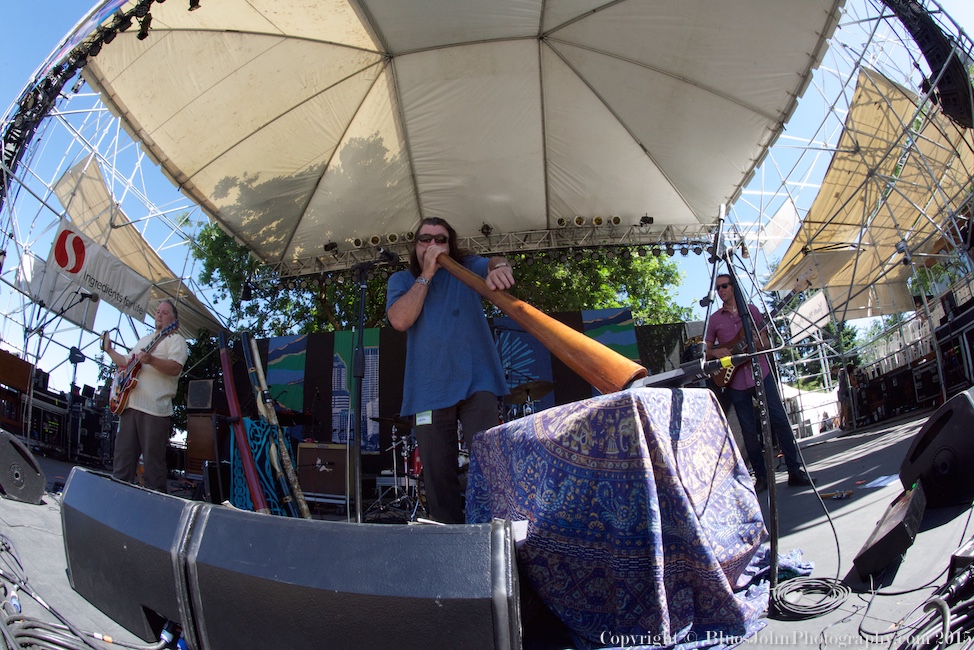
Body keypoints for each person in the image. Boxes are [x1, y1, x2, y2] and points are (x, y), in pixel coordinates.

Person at [386, 217, 514, 523]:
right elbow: (400, 320)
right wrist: (427, 274)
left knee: (488, 461)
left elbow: (493, 262)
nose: (432, 245)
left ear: (450, 245)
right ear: (415, 247)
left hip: (477, 379)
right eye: (424, 239)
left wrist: (499, 267)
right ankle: (449, 540)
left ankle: (495, 531)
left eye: (440, 239)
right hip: (428, 388)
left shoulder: (466, 267)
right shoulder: (402, 280)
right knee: (437, 471)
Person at [705, 273, 813, 493]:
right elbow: (704, 350)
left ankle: (794, 471)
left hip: (760, 373)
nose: (720, 291)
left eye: (724, 286)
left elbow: (765, 342)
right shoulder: (715, 319)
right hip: (735, 381)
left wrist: (758, 342)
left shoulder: (751, 311)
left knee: (780, 420)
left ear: (733, 287)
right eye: (717, 288)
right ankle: (761, 477)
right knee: (748, 431)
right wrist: (717, 351)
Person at [102, 300, 187, 493]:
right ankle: (117, 502)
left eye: (165, 312)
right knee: (122, 461)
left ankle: (156, 509)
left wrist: (151, 360)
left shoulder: (176, 340)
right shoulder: (145, 340)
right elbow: (125, 363)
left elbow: (175, 368)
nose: (159, 314)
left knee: (153, 465)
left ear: (174, 320)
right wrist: (109, 350)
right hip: (130, 406)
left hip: (155, 410)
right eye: (157, 312)